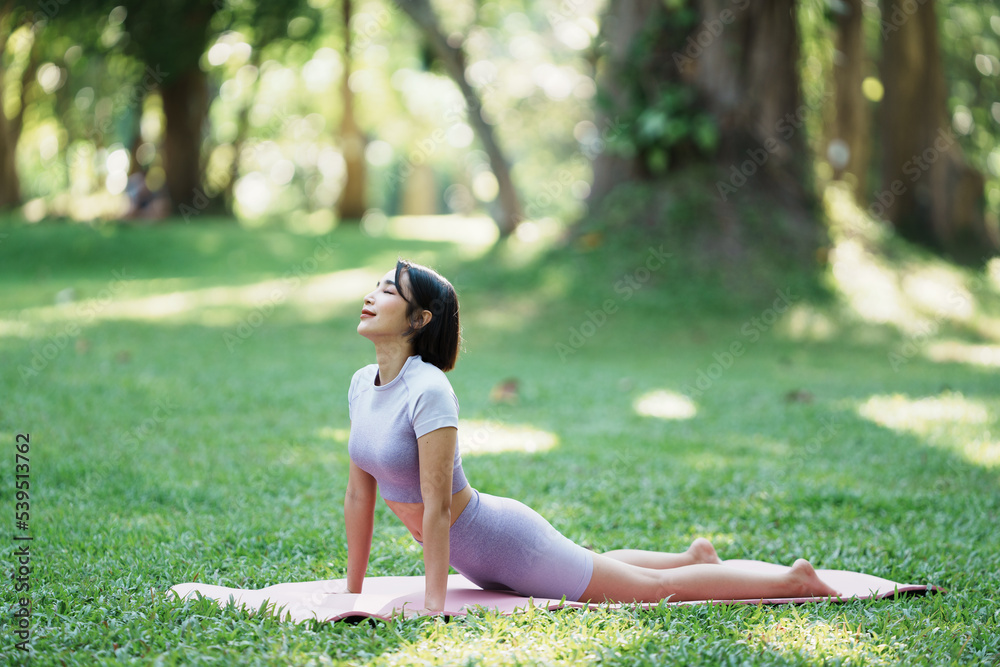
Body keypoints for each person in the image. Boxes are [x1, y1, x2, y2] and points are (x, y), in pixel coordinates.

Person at [344, 259, 839, 614]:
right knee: (590, 566)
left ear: (419, 319)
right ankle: (696, 557)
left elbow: (438, 505)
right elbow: (358, 493)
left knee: (651, 590)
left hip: (505, 543)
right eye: (376, 286)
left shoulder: (429, 391)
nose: (371, 296)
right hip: (479, 559)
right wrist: (352, 591)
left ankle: (793, 578)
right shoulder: (362, 385)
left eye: (389, 291)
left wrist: (435, 607)